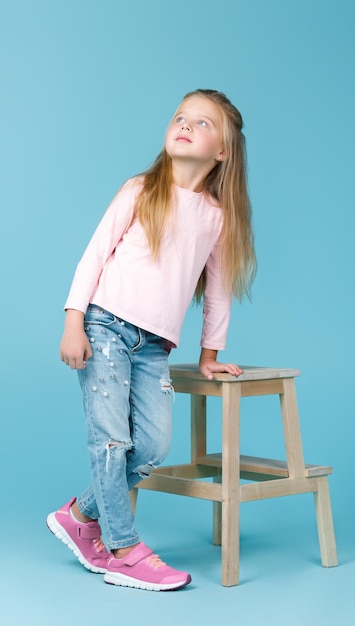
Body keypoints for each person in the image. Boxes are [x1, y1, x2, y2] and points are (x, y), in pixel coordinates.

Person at [46, 89, 256, 591]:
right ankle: (122, 547)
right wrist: (73, 320)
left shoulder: (216, 216)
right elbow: (94, 256)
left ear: (222, 151)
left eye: (202, 123)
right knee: (112, 442)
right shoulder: (140, 189)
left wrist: (210, 355)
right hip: (105, 326)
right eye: (181, 117)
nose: (185, 125)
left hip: (156, 347)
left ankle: (80, 515)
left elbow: (220, 292)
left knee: (153, 450)